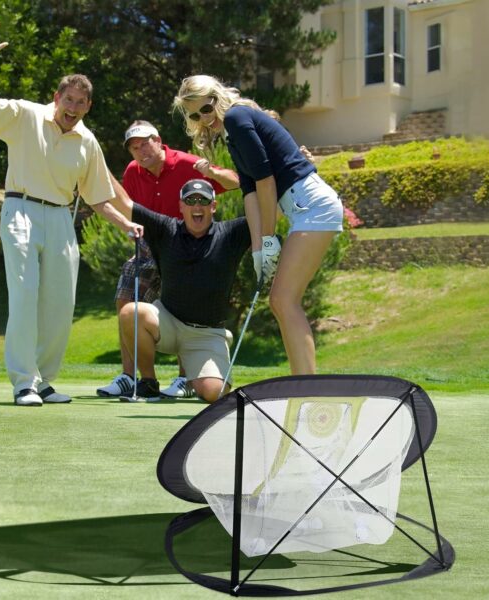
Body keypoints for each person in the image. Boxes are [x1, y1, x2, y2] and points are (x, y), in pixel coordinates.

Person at [0, 18, 141, 406]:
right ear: (56, 97)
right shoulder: (25, 114)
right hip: (21, 211)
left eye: (81, 103)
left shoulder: (87, 140)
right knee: (25, 296)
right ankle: (23, 383)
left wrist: (125, 223)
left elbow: (98, 197)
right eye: (69, 100)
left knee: (60, 304)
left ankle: (45, 380)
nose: (74, 108)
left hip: (62, 218)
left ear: (88, 106)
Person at [173, 75, 344, 376]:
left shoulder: (238, 116)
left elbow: (267, 182)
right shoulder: (230, 131)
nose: (204, 118)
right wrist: (257, 251)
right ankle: (302, 382)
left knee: (283, 299)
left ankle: (306, 385)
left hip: (313, 205)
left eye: (207, 109)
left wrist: (268, 239)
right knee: (281, 301)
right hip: (303, 209)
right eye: (195, 115)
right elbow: (250, 190)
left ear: (217, 98)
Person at [96, 120, 239, 399]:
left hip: (189, 245)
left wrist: (211, 172)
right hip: (152, 245)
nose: (140, 151)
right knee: (126, 297)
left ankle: (186, 378)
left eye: (145, 143)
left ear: (158, 140)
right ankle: (131, 376)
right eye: (134, 148)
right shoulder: (132, 172)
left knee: (185, 300)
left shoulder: (187, 163)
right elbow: (129, 206)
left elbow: (234, 183)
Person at [107, 179, 251, 403]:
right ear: (181, 206)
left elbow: (276, 212)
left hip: (206, 334)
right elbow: (124, 203)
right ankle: (148, 383)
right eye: (190, 200)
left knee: (215, 394)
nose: (197, 206)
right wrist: (94, 159)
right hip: (168, 323)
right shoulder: (166, 229)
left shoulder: (231, 233)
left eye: (203, 200)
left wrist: (298, 174)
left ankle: (195, 378)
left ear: (213, 206)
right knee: (130, 312)